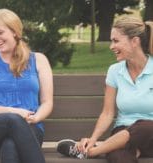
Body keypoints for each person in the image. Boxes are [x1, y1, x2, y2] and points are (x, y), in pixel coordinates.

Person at [57, 16, 153, 163]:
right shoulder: (115, 71)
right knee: (118, 157)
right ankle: (97, 148)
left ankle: (92, 152)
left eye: (116, 41)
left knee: (144, 126)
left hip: (150, 133)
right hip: (121, 134)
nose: (111, 46)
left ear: (135, 41)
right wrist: (92, 138)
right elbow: (107, 113)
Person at [0, 8, 53, 163]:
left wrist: (36, 118)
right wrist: (16, 113)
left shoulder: (39, 60)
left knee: (10, 147)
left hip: (31, 128)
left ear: (15, 32)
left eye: (0, 32)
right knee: (13, 120)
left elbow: (47, 102)